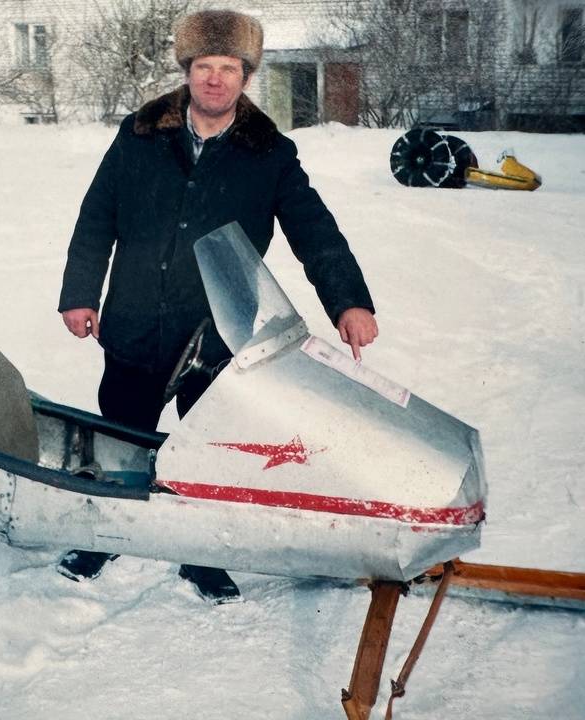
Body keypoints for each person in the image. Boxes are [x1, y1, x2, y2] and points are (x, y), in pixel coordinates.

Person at [56, 10, 377, 603]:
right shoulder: (140, 134)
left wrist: (349, 303)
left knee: (210, 446)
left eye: (229, 68)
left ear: (246, 77)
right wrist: (79, 294)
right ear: (188, 70)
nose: (215, 79)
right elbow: (97, 214)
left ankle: (202, 554)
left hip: (216, 329)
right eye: (205, 66)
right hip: (134, 319)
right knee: (123, 434)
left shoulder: (269, 154)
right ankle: (104, 536)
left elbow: (316, 232)